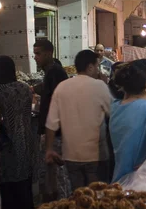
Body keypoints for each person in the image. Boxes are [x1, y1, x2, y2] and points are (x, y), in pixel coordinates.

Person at [46, 50, 112, 190]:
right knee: (99, 199)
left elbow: (51, 123)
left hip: (71, 155)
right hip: (96, 155)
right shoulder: (99, 86)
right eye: (97, 66)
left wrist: (49, 149)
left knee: (79, 197)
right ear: (90, 67)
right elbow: (113, 115)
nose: (98, 70)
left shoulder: (62, 87)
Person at [0, 56, 35, 209]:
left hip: (8, 145)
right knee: (25, 188)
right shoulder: (25, 88)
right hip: (25, 141)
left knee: (9, 191)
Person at [33, 39, 69, 201]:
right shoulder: (52, 71)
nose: (35, 57)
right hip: (54, 133)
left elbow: (58, 104)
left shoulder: (55, 72)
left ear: (48, 53)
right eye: (34, 54)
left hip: (56, 135)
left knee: (57, 177)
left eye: (38, 53)